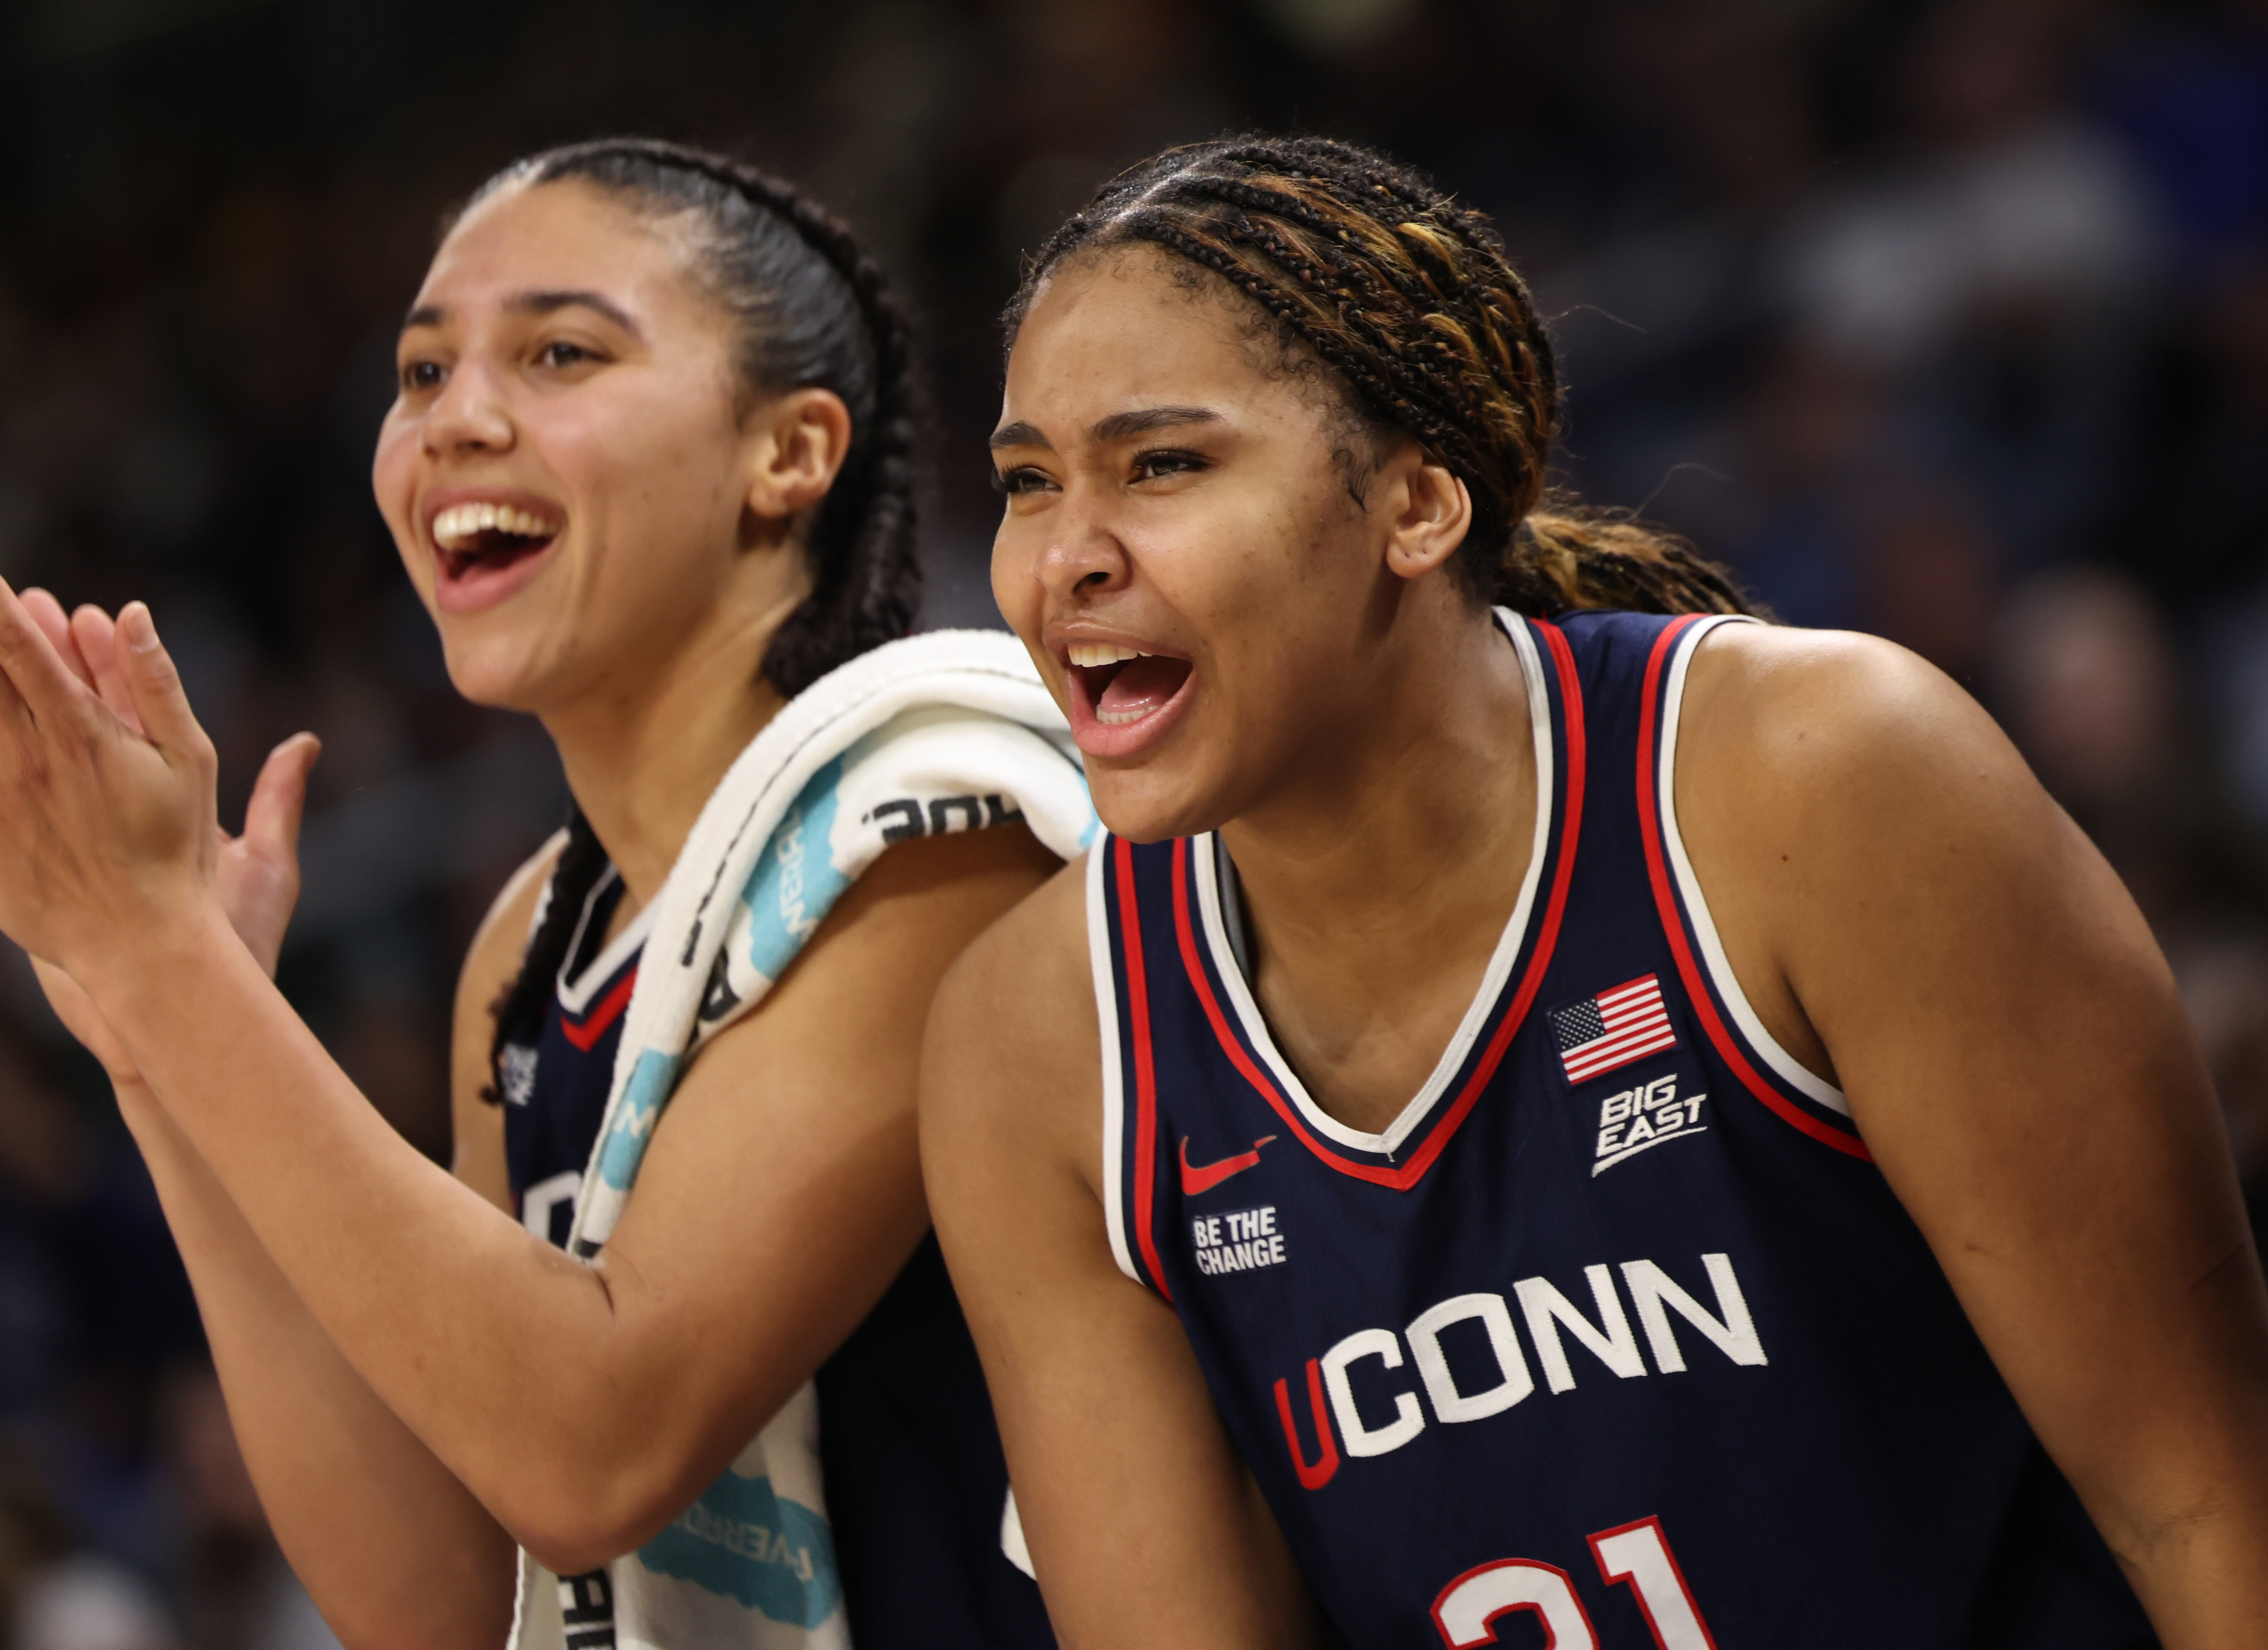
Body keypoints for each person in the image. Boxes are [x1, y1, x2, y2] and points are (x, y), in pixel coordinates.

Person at [919, 136, 2268, 1649]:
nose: (1064, 561)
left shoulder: (1817, 780)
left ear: (1418, 507)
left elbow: (2205, 1510)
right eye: (1029, 483)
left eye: (1162, 463)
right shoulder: (1038, 1043)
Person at [0, 140, 1073, 1650]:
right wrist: (156, 1047)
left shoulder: (936, 825)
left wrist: (166, 962)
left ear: (788, 453)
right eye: (419, 375)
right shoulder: (530, 951)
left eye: (560, 352)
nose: (458, 418)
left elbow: (593, 1444)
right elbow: (450, 1606)